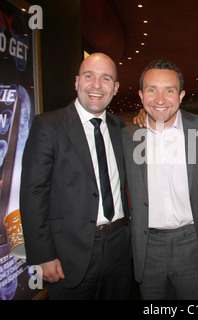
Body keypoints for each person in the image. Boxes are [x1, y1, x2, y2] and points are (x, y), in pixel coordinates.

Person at [20, 53, 132, 300]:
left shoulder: (121, 129)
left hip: (120, 250)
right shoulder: (48, 126)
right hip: (70, 253)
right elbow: (33, 194)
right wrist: (42, 255)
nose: (96, 85)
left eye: (105, 79)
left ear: (115, 88)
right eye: (89, 76)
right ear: (76, 82)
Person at [123, 60, 198, 299]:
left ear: (180, 95)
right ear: (141, 95)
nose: (160, 99)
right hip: (147, 247)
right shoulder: (128, 137)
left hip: (194, 242)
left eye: (169, 90)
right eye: (152, 90)